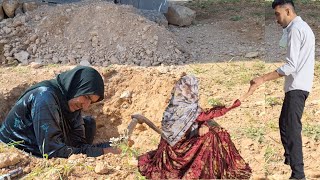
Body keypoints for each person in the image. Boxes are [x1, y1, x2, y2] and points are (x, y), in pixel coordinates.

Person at [138, 74, 252, 179]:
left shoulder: (173, 105)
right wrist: (245, 96)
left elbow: (200, 118)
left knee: (210, 130)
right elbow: (213, 113)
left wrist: (203, 124)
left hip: (169, 151)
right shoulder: (190, 110)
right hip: (180, 152)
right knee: (216, 134)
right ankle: (211, 168)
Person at [249, 0, 315, 179]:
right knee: (284, 125)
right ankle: (291, 160)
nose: (276, 19)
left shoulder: (296, 29)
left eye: (278, 14)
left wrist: (262, 79)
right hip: (298, 86)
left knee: (292, 128)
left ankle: (298, 174)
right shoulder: (302, 27)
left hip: (297, 87)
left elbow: (291, 66)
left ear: (288, 11)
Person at [0, 66, 120, 158]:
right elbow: (52, 151)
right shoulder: (45, 97)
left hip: (43, 145)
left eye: (91, 102)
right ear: (76, 87)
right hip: (18, 151)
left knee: (89, 124)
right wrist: (103, 152)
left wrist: (113, 147)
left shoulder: (71, 100)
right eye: (87, 97)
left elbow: (77, 145)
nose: (86, 107)